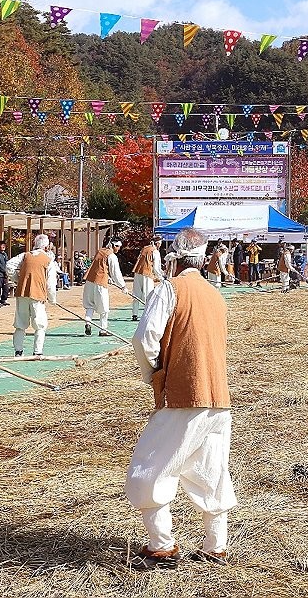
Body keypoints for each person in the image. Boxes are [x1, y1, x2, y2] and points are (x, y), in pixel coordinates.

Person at [125, 228, 236, 570]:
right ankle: (215, 545)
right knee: (211, 470)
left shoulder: (170, 289)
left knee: (150, 469)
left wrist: (153, 374)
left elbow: (144, 337)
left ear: (173, 256)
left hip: (183, 394)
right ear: (204, 259)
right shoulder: (215, 295)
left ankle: (161, 546)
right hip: (219, 398)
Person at [6, 233, 59, 357]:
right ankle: (37, 352)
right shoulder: (48, 260)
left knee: (20, 323)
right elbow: (51, 283)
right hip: (38, 294)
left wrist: (18, 280)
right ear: (46, 247)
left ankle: (18, 351)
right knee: (40, 324)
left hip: (23, 293)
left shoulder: (25, 255)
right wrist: (52, 299)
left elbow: (9, 265)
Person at [83, 238, 126, 336]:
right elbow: (116, 272)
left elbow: (100, 267)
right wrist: (123, 286)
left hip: (89, 282)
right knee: (104, 308)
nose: (119, 249)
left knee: (90, 305)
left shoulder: (100, 251)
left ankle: (88, 322)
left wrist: (108, 277)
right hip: (100, 283)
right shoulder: (111, 256)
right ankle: (103, 329)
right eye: (118, 247)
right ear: (114, 246)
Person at [132, 235, 165, 321]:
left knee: (136, 294)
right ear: (157, 243)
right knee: (148, 294)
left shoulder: (144, 248)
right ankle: (147, 314)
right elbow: (156, 268)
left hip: (137, 272)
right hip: (147, 273)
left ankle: (134, 314)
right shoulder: (155, 252)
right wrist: (162, 278)